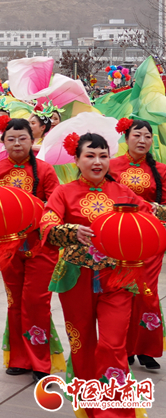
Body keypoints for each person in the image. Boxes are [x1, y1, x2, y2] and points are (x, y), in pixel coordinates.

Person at [42, 132, 166, 418]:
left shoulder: (122, 192)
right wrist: (71, 231)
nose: (97, 162)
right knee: (82, 345)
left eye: (103, 156)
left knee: (113, 344)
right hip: (76, 279)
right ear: (76, 160)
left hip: (118, 278)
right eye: (90, 156)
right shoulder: (64, 192)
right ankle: (90, 408)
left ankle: (115, 412)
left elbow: (151, 214)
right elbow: (47, 224)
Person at [0, 118, 63, 381]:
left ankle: (40, 362)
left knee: (37, 302)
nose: (17, 143)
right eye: (11, 139)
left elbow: (55, 207)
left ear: (33, 140)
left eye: (22, 138)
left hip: (41, 246)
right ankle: (18, 357)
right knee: (15, 302)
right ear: (3, 142)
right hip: (8, 247)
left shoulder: (46, 170)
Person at [109, 119, 164, 370]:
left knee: (146, 293)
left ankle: (146, 348)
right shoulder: (111, 166)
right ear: (126, 137)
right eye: (137, 135)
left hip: (151, 239)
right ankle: (125, 348)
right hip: (119, 240)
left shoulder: (161, 170)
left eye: (147, 136)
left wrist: (157, 210)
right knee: (122, 293)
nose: (142, 140)